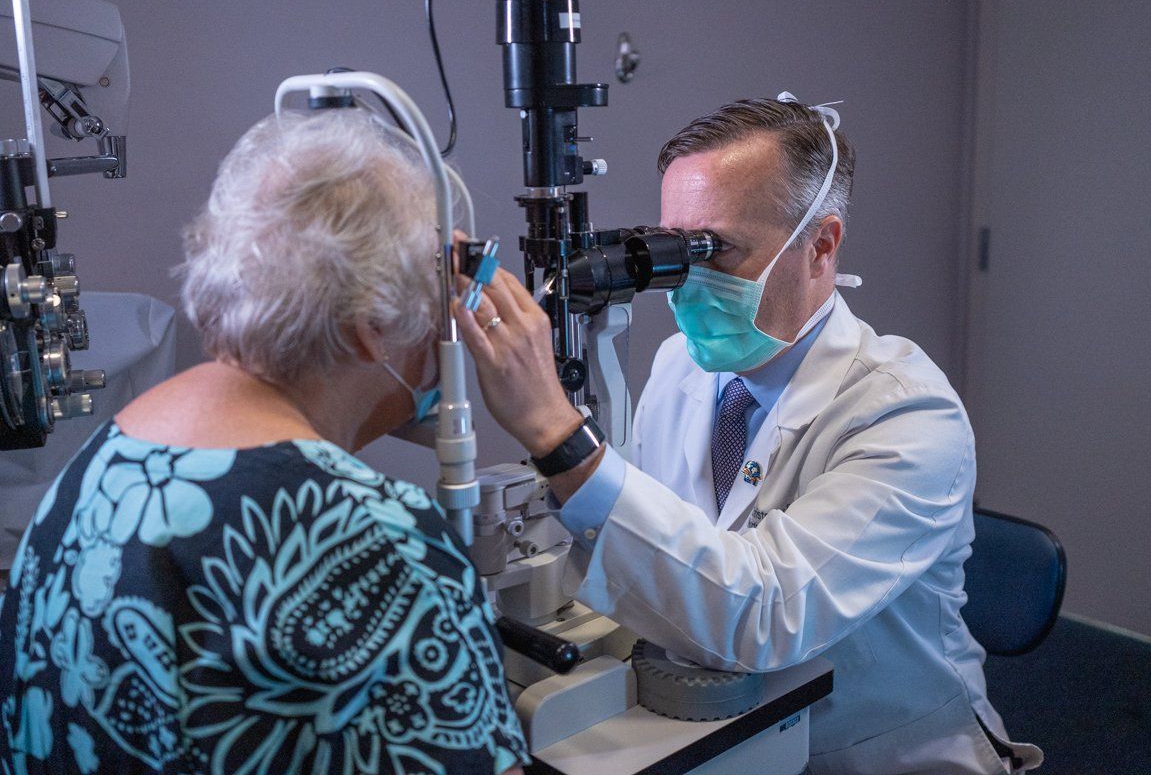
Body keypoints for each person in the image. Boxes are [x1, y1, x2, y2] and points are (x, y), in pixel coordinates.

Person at [453, 97, 1042, 774]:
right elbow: (668, 544)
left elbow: (764, 617)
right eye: (676, 245)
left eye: (717, 248)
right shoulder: (683, 364)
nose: (685, 278)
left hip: (873, 754)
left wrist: (559, 437)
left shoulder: (907, 417)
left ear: (821, 245)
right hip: (734, 736)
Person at [0, 110, 528, 775]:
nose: (442, 334)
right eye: (437, 302)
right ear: (370, 325)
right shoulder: (379, 543)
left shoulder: (101, 465)